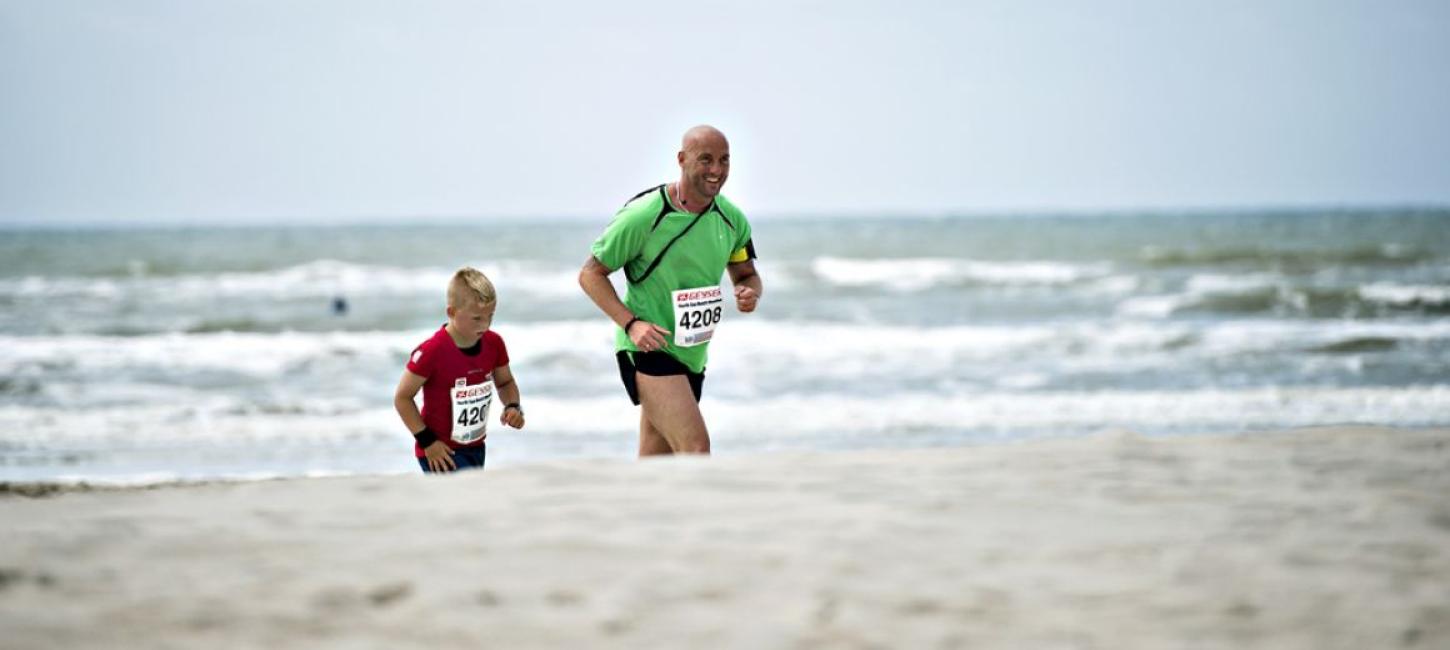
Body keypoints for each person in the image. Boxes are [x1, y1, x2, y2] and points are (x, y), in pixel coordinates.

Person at [578, 125, 762, 456]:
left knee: (656, 463)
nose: (716, 170)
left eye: (724, 160)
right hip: (650, 350)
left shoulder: (732, 219)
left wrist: (749, 291)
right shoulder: (645, 214)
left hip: (693, 355)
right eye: (706, 159)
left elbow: (746, 273)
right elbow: (591, 274)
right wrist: (631, 324)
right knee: (695, 447)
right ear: (681, 159)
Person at [393, 267, 524, 472]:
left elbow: (505, 382)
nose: (486, 324)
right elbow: (402, 397)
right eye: (477, 318)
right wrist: (427, 442)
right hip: (440, 451)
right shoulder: (432, 351)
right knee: (462, 502)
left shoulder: (494, 343)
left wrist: (513, 406)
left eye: (490, 316)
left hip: (476, 446)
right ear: (452, 312)